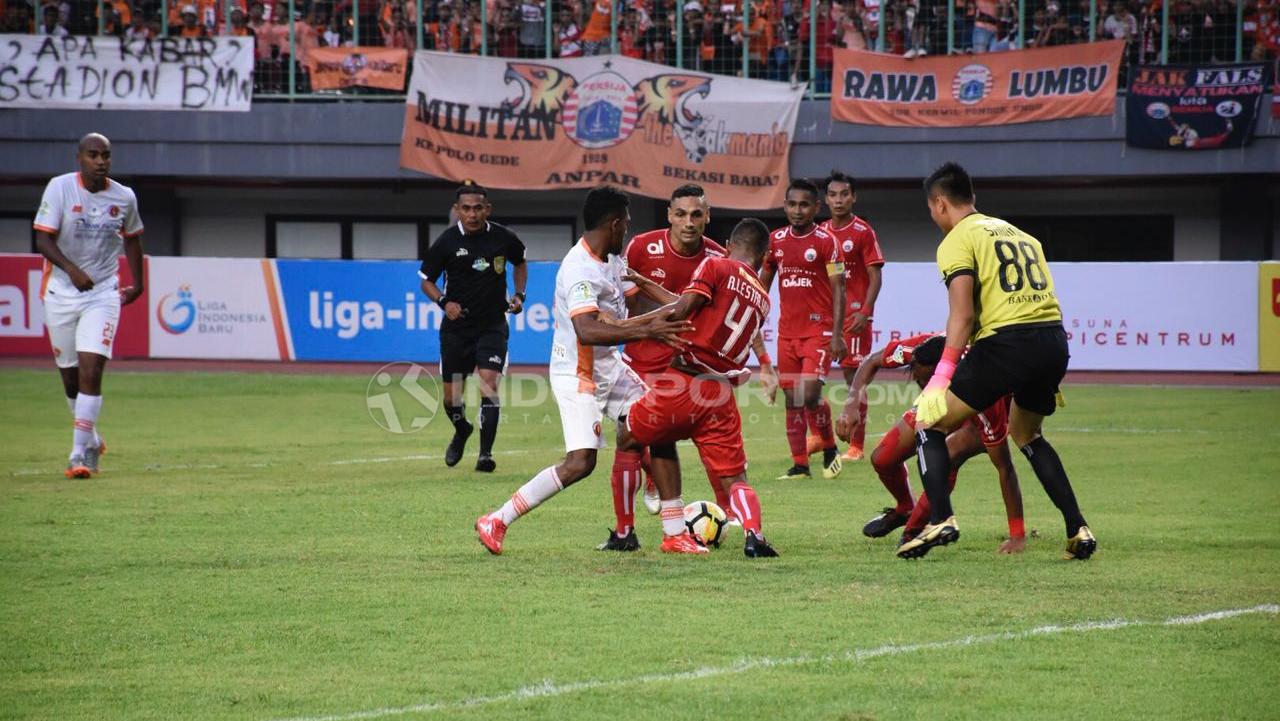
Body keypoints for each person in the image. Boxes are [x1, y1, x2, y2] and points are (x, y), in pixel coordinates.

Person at [474, 187, 703, 556]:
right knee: (581, 462)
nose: (627, 231)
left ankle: (675, 533)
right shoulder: (579, 269)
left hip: (610, 366)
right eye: (625, 225)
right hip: (577, 374)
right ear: (613, 224)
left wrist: (680, 305)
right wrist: (649, 328)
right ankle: (497, 519)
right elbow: (588, 331)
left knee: (658, 427)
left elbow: (639, 299)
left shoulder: (610, 260)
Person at [903, 162, 1094, 561]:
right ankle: (1078, 528)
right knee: (1027, 435)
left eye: (931, 209)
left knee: (927, 423)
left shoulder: (957, 239)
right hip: (1053, 340)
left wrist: (941, 377)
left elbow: (963, 315)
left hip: (1007, 342)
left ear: (940, 203)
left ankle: (941, 519)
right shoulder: (1021, 234)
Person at [599, 185, 777, 551]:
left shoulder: (715, 262)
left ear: (726, 242)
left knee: (627, 433)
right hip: (721, 393)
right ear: (764, 256)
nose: (689, 222)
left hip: (682, 381)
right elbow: (700, 309)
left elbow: (682, 311)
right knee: (734, 477)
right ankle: (755, 535)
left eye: (697, 214)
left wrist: (618, 328)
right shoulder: (763, 298)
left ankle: (628, 533)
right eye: (681, 214)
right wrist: (648, 284)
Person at [835, 334, 1025, 552]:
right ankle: (906, 508)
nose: (923, 386)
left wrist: (1017, 533)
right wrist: (851, 405)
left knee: (950, 455)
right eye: (919, 380)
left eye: (927, 381)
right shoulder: (917, 349)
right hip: (940, 403)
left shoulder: (979, 384)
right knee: (883, 458)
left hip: (977, 406)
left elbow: (1004, 467)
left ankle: (913, 532)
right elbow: (870, 361)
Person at [33, 134, 145, 479]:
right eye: (94, 155)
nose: (101, 161)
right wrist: (72, 270)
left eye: (106, 156)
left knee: (91, 369)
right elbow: (43, 239)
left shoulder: (124, 197)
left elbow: (133, 239)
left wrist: (138, 284)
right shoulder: (59, 188)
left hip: (103, 293)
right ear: (80, 157)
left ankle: (78, 454)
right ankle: (93, 439)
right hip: (61, 292)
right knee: (70, 378)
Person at [418, 184, 528, 473]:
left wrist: (520, 295)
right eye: (466, 208)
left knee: (488, 385)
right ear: (458, 210)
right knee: (451, 399)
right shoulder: (447, 241)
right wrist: (443, 302)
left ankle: (485, 455)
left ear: (487, 209)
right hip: (456, 329)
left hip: (492, 325)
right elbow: (426, 281)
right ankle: (462, 429)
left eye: (478, 208)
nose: (472, 213)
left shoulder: (504, 238)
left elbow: (520, 262)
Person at [758, 178, 846, 481]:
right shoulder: (775, 241)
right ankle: (800, 465)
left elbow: (839, 289)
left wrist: (837, 333)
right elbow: (762, 285)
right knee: (792, 399)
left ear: (815, 208)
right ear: (784, 206)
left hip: (818, 331)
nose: (797, 210)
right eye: (792, 204)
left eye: (804, 204)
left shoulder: (826, 242)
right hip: (787, 333)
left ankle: (829, 444)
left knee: (809, 394)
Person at [816, 170, 883, 463]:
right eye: (833, 195)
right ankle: (819, 437)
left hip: (854, 317)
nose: (839, 200)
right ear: (826, 199)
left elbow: (875, 275)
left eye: (844, 194)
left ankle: (855, 445)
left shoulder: (862, 231)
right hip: (823, 318)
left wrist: (866, 312)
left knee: (853, 380)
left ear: (853, 197)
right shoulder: (819, 232)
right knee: (808, 380)